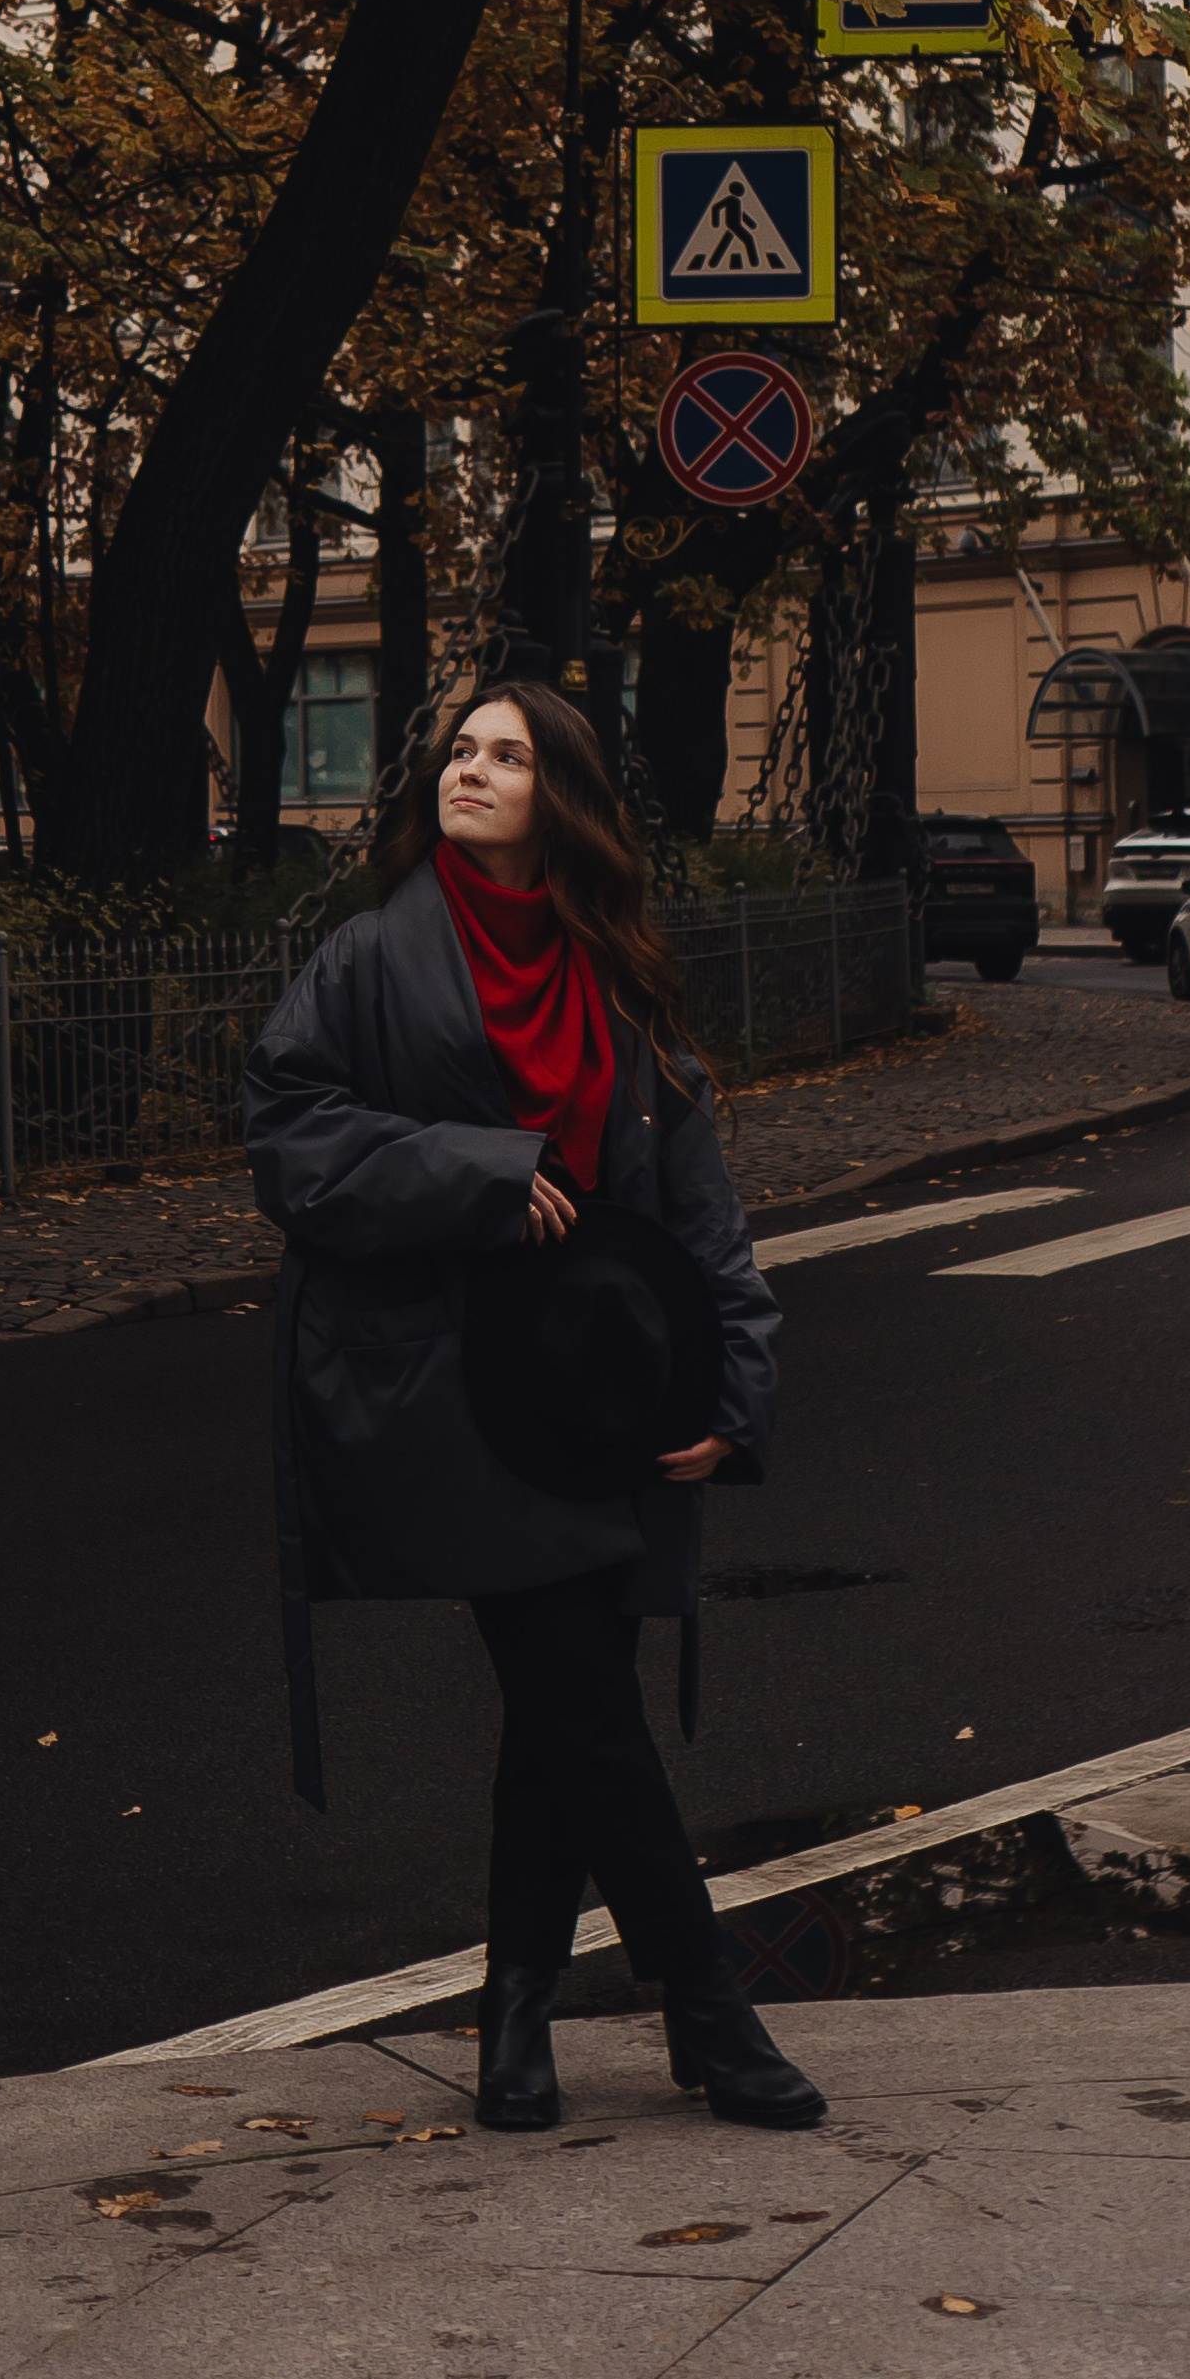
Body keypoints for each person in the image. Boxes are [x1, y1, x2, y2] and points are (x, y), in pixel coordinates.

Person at [242, 677, 823, 2135]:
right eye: (459, 749)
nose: (469, 770)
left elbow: (702, 1217)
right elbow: (292, 1137)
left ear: (556, 795)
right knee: (580, 1695)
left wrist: (735, 1394)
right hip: (455, 1394)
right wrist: (483, 1174)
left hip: (603, 1395)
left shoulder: (612, 972)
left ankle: (517, 2018)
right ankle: (707, 2005)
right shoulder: (373, 959)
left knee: (562, 1719)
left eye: (505, 755)